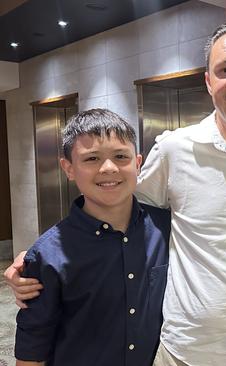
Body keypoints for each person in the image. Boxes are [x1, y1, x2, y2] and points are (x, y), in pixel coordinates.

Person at [6, 20, 226, 366]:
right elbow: (121, 213)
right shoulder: (173, 150)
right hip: (190, 351)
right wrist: (43, 258)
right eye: (225, 69)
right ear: (209, 81)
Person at [13, 109, 170, 366]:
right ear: (69, 169)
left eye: (121, 156)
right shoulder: (48, 254)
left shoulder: (166, 229)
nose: (108, 168)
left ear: (138, 163)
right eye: (92, 159)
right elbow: (33, 348)